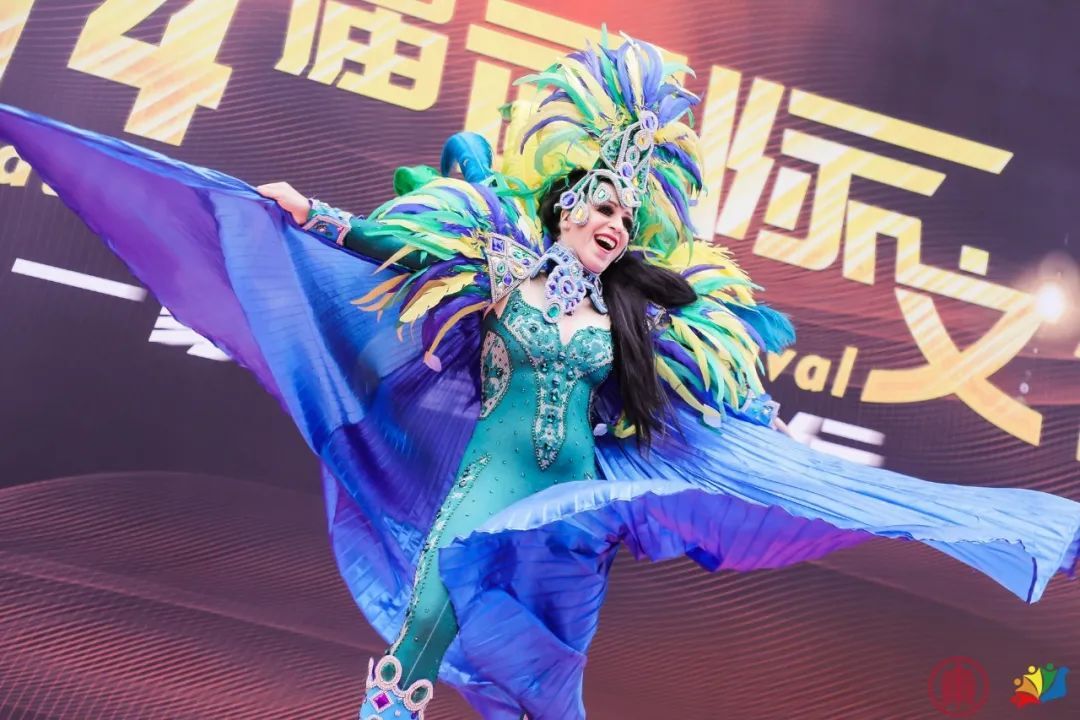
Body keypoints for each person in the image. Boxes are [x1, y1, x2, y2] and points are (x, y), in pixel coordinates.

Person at [0, 35, 1077, 720]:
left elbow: (706, 385)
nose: (614, 224)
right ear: (564, 208)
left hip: (572, 510)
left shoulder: (637, 319)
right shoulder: (497, 262)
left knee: (551, 677)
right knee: (428, 627)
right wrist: (308, 213)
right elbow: (393, 247)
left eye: (627, 216)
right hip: (489, 482)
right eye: (600, 207)